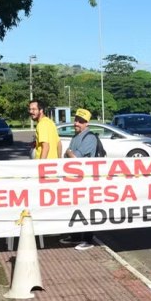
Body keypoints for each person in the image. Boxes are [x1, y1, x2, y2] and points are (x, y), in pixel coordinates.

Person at [59, 108, 97, 251]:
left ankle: (87, 239)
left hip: (86, 180)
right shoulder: (76, 136)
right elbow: (68, 155)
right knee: (74, 208)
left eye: (81, 121)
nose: (77, 123)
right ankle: (75, 236)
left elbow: (75, 158)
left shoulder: (89, 137)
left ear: (87, 123)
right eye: (76, 120)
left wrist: (69, 152)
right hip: (74, 180)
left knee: (86, 210)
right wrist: (69, 153)